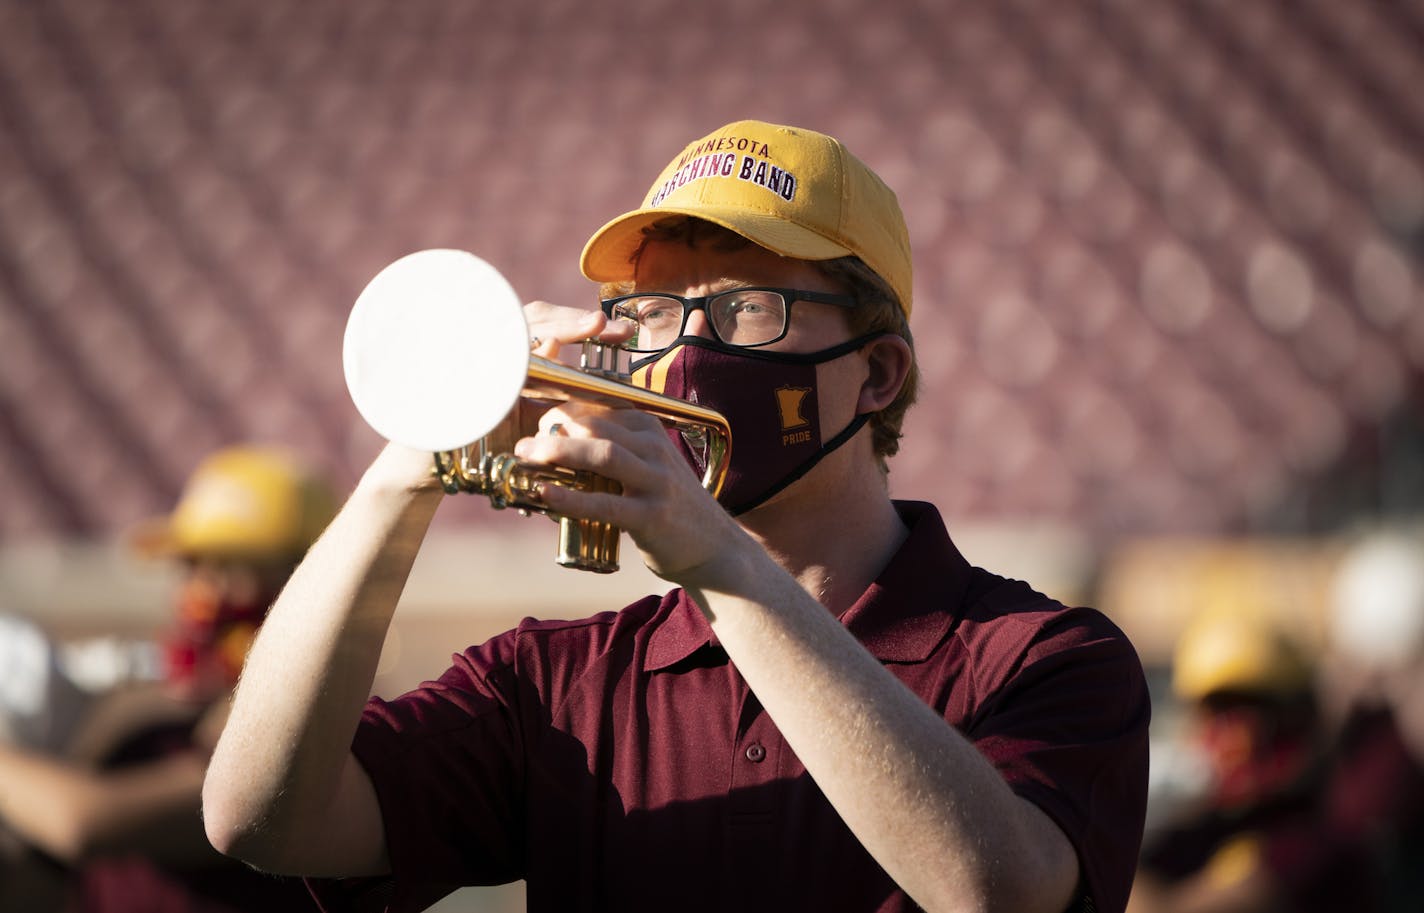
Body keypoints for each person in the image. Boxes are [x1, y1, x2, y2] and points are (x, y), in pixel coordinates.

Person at [202, 119, 1151, 913]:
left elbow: (991, 889)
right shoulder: (554, 684)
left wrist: (725, 564)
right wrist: (415, 457)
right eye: (653, 312)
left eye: (747, 305)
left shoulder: (1046, 658)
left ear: (876, 373)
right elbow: (258, 815)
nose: (689, 347)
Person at [0, 446, 335, 913]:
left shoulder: (322, 741)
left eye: (231, 567)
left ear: (313, 582)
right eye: (191, 566)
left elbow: (86, 823)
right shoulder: (147, 743)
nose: (201, 594)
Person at [1129, 610, 1377, 913]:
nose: (1235, 737)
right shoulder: (1194, 833)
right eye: (1217, 713)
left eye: (1254, 711)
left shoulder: (1315, 837)